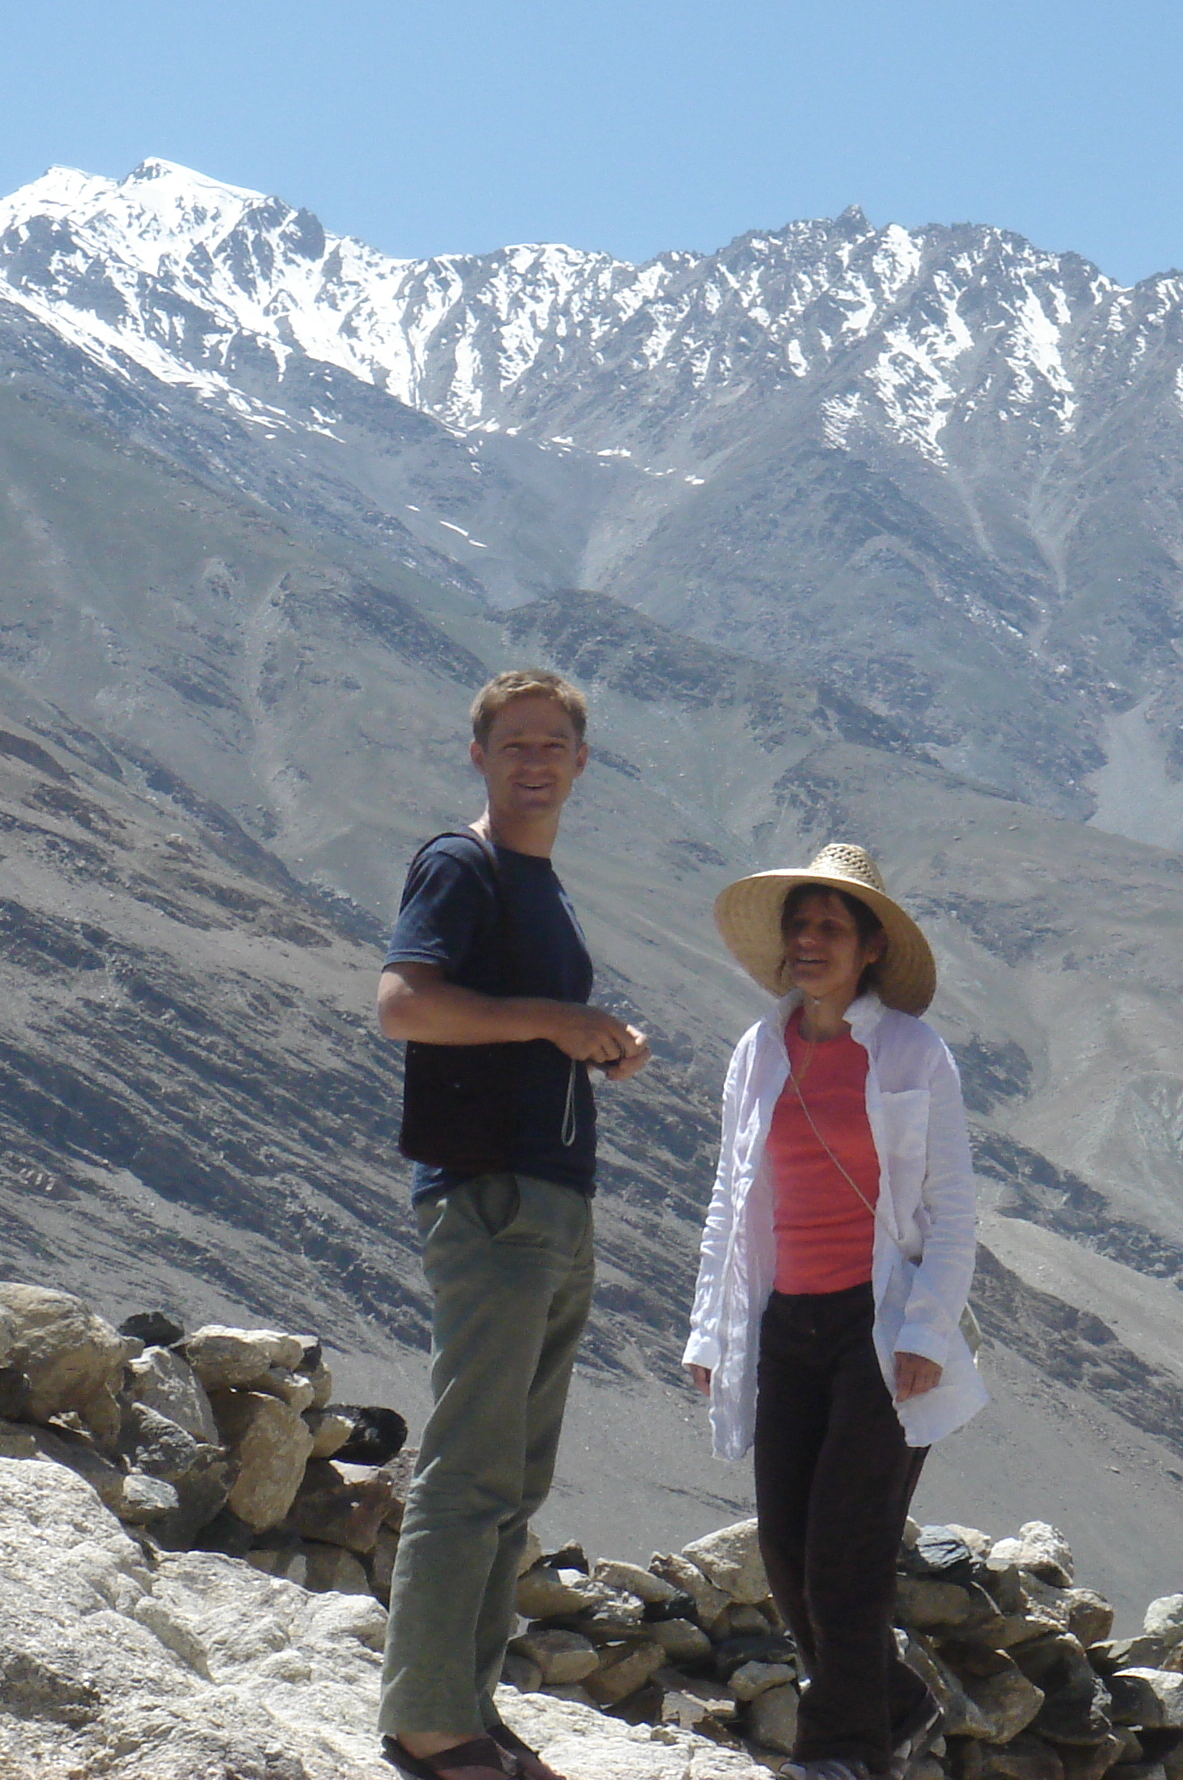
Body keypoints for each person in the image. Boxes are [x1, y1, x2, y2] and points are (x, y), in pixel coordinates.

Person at [376, 669, 651, 1780]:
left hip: (551, 1196)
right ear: (479, 756)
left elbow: (527, 1027)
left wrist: (591, 1041)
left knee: (516, 1477)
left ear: (581, 762)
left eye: (553, 745)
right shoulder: (463, 865)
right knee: (470, 1466)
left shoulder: (541, 884)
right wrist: (555, 1019)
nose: (534, 762)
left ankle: (471, 1708)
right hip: (489, 1194)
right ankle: (428, 1719)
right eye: (514, 744)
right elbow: (403, 1004)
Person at [685, 842, 986, 1780]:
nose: (810, 941)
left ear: (869, 948)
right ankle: (893, 1702)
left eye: (831, 926)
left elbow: (951, 1208)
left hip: (877, 1326)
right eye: (800, 926)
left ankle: (844, 1755)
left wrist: (927, 1332)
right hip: (787, 1325)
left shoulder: (912, 1053)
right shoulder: (757, 1051)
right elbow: (731, 1198)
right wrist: (709, 1328)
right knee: (785, 1549)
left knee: (844, 1554)